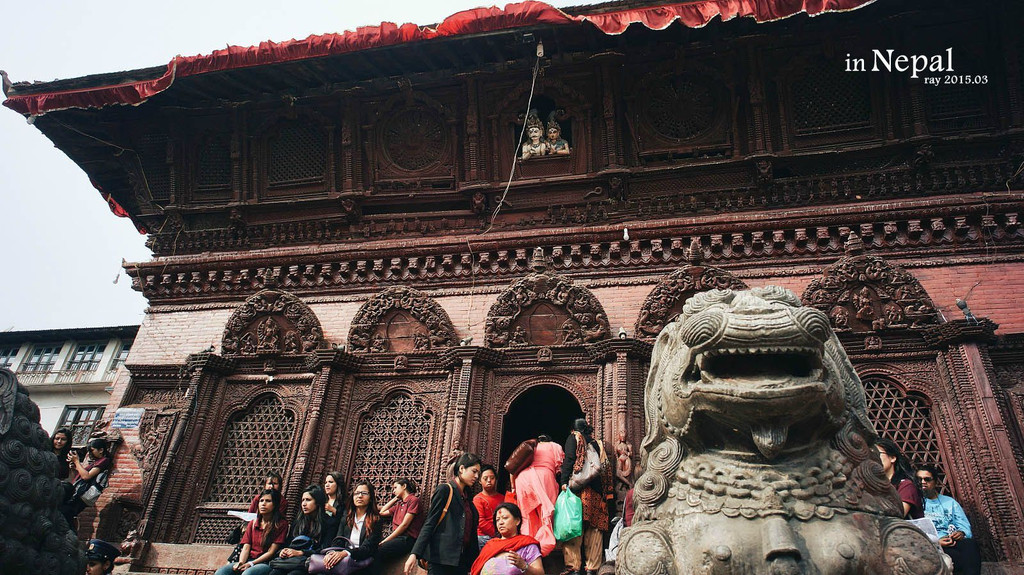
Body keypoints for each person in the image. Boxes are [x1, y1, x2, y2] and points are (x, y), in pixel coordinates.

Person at [405, 452, 483, 575]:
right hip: (440, 560)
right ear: (462, 469)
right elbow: (430, 522)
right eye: (474, 471)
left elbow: (471, 534)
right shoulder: (445, 490)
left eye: (478, 473)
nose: (477, 476)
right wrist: (415, 553)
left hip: (461, 562)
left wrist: (474, 563)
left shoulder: (469, 500)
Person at [559, 419, 611, 575]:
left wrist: (563, 481)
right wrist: (607, 493)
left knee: (573, 527)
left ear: (574, 429)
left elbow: (569, 459)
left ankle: (573, 567)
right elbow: (605, 468)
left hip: (577, 491)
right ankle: (592, 568)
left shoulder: (574, 438)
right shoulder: (598, 444)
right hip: (596, 493)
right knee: (594, 529)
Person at [916, 465, 982, 575]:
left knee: (970, 545)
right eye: (919, 479)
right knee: (956, 558)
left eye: (927, 479)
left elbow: (964, 525)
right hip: (931, 544)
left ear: (935, 482)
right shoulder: (916, 502)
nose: (922, 482)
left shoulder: (950, 502)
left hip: (951, 541)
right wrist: (937, 542)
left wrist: (961, 533)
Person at [216, 489, 288, 575]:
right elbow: (246, 547)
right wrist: (241, 563)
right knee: (221, 572)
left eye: (268, 501)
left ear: (275, 505)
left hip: (265, 563)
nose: (263, 504)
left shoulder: (281, 524)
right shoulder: (253, 523)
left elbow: (271, 552)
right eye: (261, 501)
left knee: (247, 574)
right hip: (248, 560)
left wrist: (251, 564)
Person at [269, 485, 337, 575]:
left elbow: (325, 549)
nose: (304, 504)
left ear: (317, 502)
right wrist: (283, 551)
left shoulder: (329, 523)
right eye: (303, 500)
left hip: (310, 562)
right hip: (291, 560)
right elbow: (289, 543)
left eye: (308, 500)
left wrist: (301, 552)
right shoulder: (298, 522)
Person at [513, 435, 563, 557]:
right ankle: (543, 550)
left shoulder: (532, 447)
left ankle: (527, 550)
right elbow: (559, 468)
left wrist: (513, 487)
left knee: (527, 517)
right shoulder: (555, 446)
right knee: (546, 516)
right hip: (544, 478)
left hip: (523, 479)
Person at [319, 480, 383, 574]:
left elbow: (367, 548)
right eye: (356, 493)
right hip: (343, 560)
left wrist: (346, 553)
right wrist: (332, 553)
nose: (360, 496)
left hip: (362, 563)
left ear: (370, 498)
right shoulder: (346, 518)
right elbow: (338, 540)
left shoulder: (375, 520)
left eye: (364, 493)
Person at [469, 503, 543, 575]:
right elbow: (476, 569)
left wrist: (524, 566)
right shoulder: (490, 545)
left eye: (505, 518)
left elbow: (540, 573)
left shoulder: (528, 545)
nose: (500, 522)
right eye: (497, 520)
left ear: (517, 521)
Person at [60, 437, 114, 527]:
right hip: (78, 492)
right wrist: (75, 467)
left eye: (92, 450)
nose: (90, 453)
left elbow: (86, 476)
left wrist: (77, 462)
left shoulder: (103, 461)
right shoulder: (95, 462)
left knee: (66, 513)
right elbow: (81, 476)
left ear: (101, 450)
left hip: (82, 495)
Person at [377, 478, 425, 568]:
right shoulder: (399, 504)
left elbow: (404, 525)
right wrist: (395, 499)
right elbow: (382, 512)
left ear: (404, 486)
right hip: (398, 539)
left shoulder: (413, 500)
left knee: (379, 550)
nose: (393, 491)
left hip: (407, 539)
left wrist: (385, 541)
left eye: (395, 487)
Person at [875, 438, 923, 519]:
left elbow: (898, 515)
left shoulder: (906, 486)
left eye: (877, 454)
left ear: (893, 458)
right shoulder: (873, 484)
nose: (874, 458)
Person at [473, 465, 505, 549]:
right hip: (483, 537)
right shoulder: (478, 499)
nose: (489, 481)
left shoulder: (503, 498)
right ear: (480, 481)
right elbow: (480, 522)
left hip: (501, 535)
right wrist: (497, 533)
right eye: (485, 478)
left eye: (492, 478)